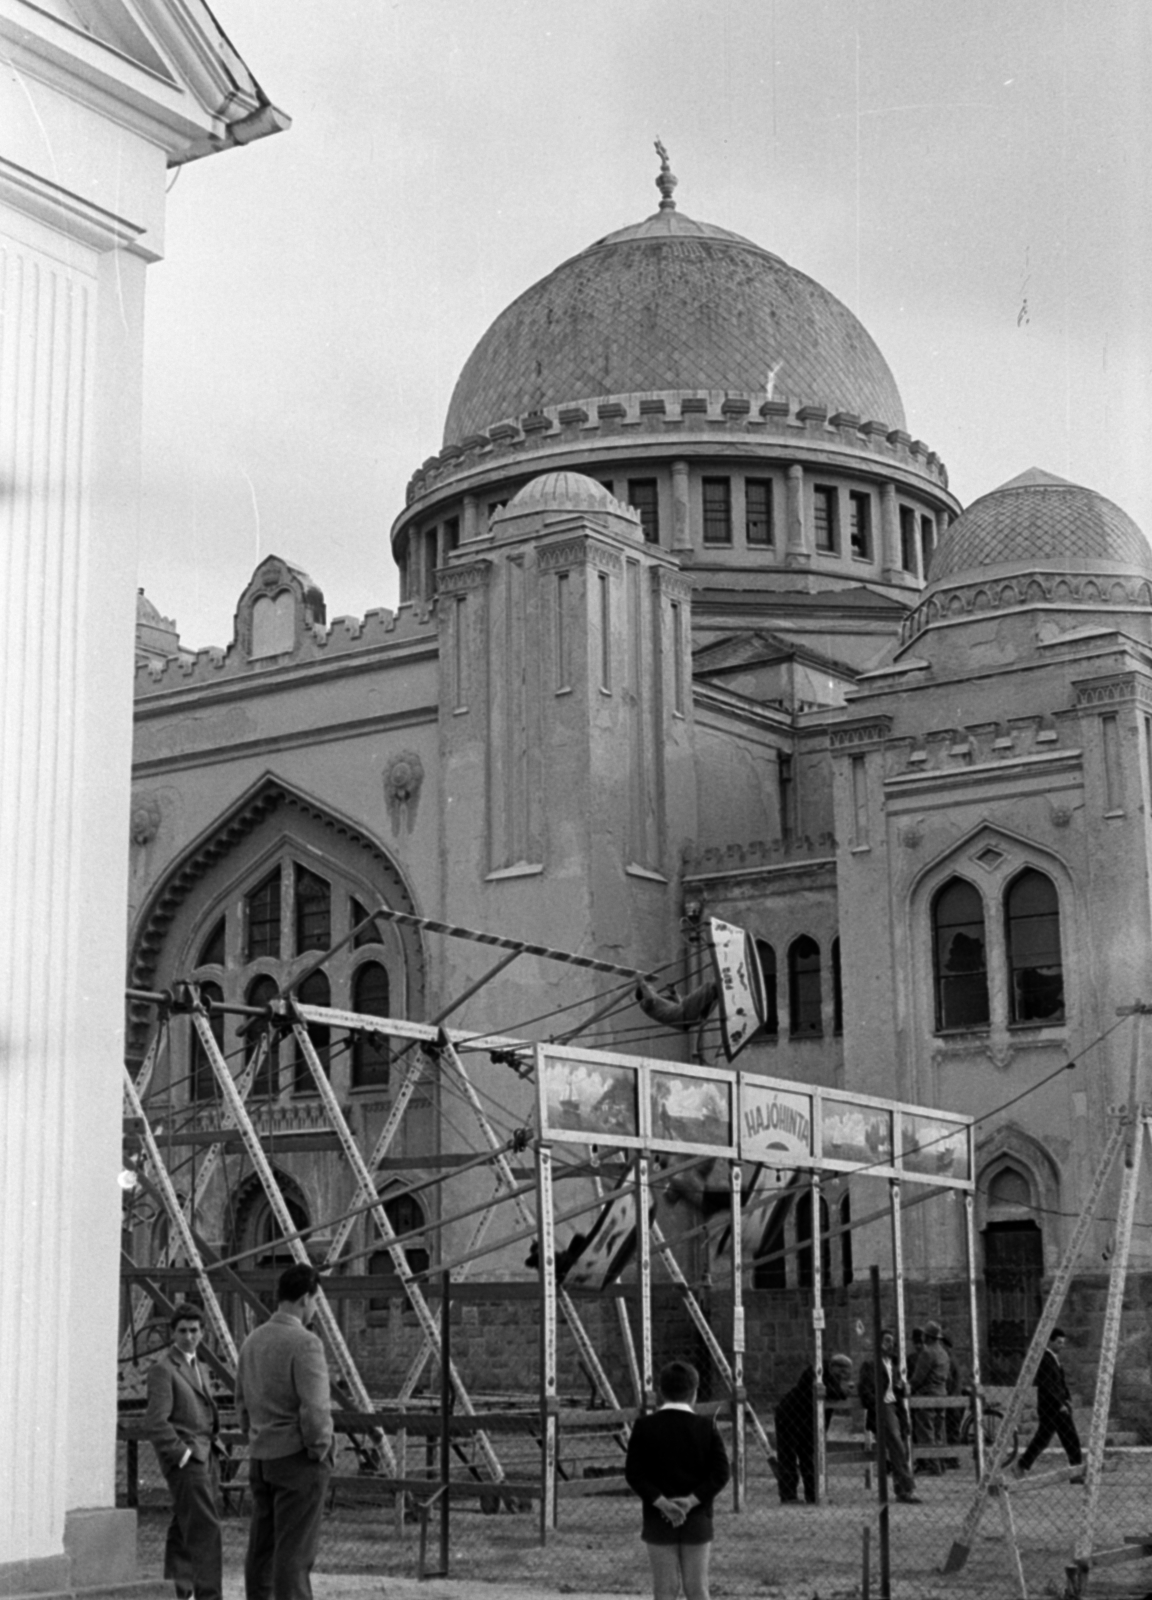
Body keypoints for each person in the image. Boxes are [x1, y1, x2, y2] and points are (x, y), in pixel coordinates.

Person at [235, 1264, 335, 1600]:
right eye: (315, 1300)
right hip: (297, 1461)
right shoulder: (306, 1343)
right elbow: (315, 1409)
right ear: (306, 1297)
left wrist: (256, 1436)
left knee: (261, 1552)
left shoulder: (252, 1341)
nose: (315, 1308)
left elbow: (242, 1404)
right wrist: (320, 1448)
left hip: (261, 1458)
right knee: (294, 1555)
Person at [625, 1360, 731, 1600]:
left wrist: (662, 1502)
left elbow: (634, 1473)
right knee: (697, 1588)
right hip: (697, 1515)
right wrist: (691, 1501)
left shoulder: (644, 1427)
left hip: (657, 1514)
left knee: (665, 1588)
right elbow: (721, 1473)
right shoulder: (706, 1427)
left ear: (661, 1392)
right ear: (694, 1393)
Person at [144, 1302, 224, 1600]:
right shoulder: (163, 1370)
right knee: (206, 1530)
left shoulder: (198, 1367)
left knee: (183, 1527)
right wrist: (183, 1455)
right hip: (188, 1461)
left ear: (202, 1333)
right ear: (172, 1333)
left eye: (194, 1330)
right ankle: (210, 1596)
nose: (189, 1336)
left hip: (207, 1455)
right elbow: (155, 1422)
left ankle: (177, 1592)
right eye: (182, 1331)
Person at [773, 1354, 854, 1504]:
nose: (843, 1376)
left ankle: (813, 1495)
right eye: (840, 1372)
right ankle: (788, 1496)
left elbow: (833, 1397)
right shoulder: (815, 1371)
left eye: (846, 1373)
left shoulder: (834, 1379)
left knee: (810, 1458)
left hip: (809, 1422)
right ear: (832, 1367)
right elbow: (822, 1391)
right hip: (789, 1416)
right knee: (788, 1456)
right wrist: (842, 1392)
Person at [857, 1330, 921, 1503]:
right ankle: (908, 1487)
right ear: (878, 1343)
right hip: (883, 1407)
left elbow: (896, 1390)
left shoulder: (894, 1365)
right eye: (886, 1341)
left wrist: (901, 1388)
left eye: (892, 1342)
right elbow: (864, 1391)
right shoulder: (870, 1365)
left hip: (896, 1408)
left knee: (902, 1446)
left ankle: (901, 1490)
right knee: (897, 1443)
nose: (890, 1345)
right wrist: (877, 1405)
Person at [1015, 1326, 1083, 1477]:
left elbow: (1060, 1384)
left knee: (1049, 1439)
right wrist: (1060, 1404)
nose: (1062, 1345)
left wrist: (1067, 1400)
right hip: (1053, 1408)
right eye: (1059, 1342)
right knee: (1068, 1439)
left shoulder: (1053, 1359)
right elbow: (1048, 1386)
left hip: (1056, 1408)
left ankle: (1022, 1464)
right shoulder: (1046, 1360)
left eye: (1063, 1343)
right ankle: (1076, 1472)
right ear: (1050, 1342)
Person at [910, 1320, 950, 1475]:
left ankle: (934, 1467)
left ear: (928, 1336)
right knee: (940, 1432)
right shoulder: (943, 1352)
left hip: (927, 1396)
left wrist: (906, 1387)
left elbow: (918, 1378)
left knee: (926, 1432)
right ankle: (941, 1464)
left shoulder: (927, 1353)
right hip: (942, 1394)